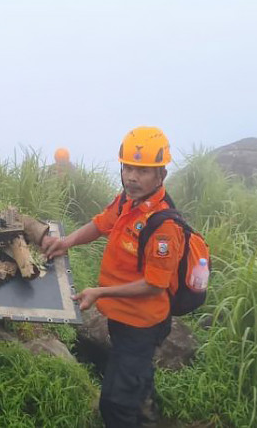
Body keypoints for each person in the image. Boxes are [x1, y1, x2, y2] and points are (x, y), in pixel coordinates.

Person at [42, 126, 181, 428]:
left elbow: (154, 283)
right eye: (128, 167)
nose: (132, 176)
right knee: (137, 383)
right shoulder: (126, 202)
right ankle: (150, 418)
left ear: (161, 175)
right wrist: (65, 242)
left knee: (115, 406)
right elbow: (99, 224)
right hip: (122, 318)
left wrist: (100, 293)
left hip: (141, 325)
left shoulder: (163, 226)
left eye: (142, 170)